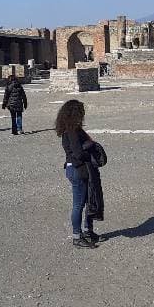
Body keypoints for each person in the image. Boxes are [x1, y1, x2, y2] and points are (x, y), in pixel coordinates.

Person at [55, 100, 100, 248]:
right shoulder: (72, 130)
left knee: (89, 201)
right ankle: (77, 236)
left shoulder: (74, 128)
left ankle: (87, 231)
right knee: (78, 205)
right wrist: (91, 150)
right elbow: (78, 153)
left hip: (80, 169)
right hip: (77, 170)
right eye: (81, 112)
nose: (83, 115)